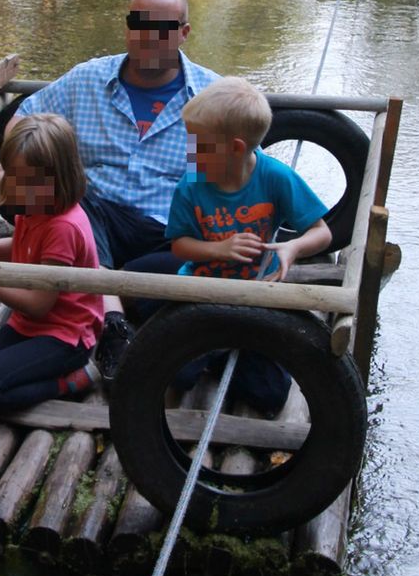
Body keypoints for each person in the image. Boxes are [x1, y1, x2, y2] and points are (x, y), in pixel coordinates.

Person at [6, 0, 219, 375]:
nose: (148, 37)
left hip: (167, 231)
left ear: (183, 34)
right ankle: (114, 322)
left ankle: (115, 290)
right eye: (139, 24)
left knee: (200, 271)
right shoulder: (87, 78)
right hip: (93, 223)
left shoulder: (213, 95)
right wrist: (11, 167)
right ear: (127, 27)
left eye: (162, 28)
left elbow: (246, 171)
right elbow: (26, 115)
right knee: (75, 196)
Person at [141, 77, 332, 416]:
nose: (189, 152)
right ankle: (215, 349)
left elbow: (322, 233)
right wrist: (220, 250)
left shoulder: (275, 177)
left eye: (198, 145)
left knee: (271, 394)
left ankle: (224, 349)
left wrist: (292, 248)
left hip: (258, 295)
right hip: (201, 292)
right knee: (175, 374)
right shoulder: (193, 182)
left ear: (236, 149)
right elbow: (181, 247)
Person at [0, 114, 104, 408]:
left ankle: (69, 381)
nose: (13, 187)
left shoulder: (62, 226)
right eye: (12, 176)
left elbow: (38, 304)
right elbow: (23, 246)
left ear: (57, 178)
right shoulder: (36, 206)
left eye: (24, 181)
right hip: (28, 327)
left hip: (65, 337)